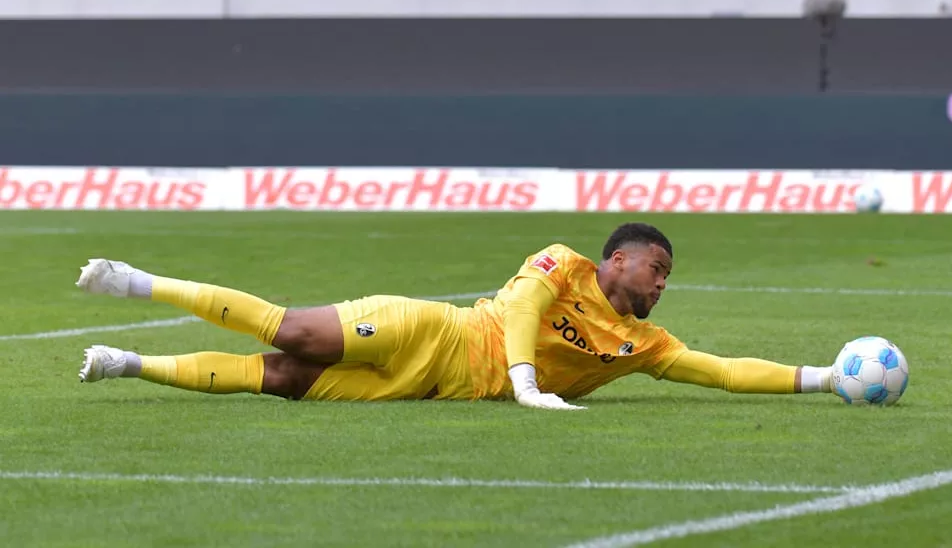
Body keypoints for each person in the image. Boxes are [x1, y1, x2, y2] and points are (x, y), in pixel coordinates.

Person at [76, 224, 837, 409]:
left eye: (667, 277)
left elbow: (724, 371)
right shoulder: (563, 263)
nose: (663, 285)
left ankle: (126, 363)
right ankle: (139, 283)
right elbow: (522, 314)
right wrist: (529, 382)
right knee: (294, 329)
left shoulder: (644, 344)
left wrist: (823, 377)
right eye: (657, 269)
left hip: (434, 388)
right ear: (618, 260)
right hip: (435, 331)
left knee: (277, 380)